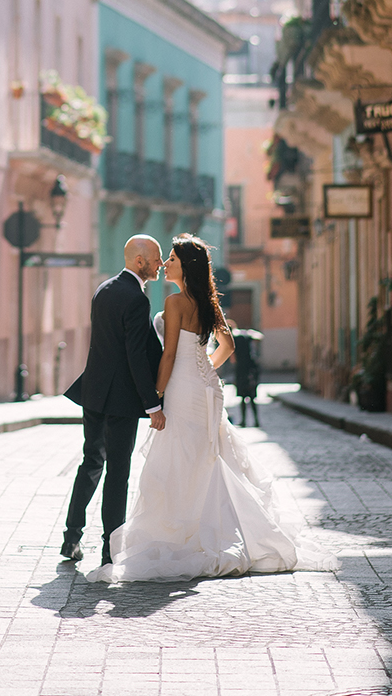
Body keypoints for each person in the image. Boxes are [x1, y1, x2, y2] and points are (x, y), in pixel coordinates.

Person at [89, 234, 297, 582]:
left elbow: (169, 355)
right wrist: (204, 369)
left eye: (171, 259)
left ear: (185, 267)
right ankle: (214, 528)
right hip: (207, 390)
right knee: (207, 456)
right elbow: (227, 345)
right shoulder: (207, 302)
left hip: (184, 390)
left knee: (179, 459)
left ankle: (184, 534)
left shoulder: (174, 302)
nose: (165, 264)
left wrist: (153, 396)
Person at [60, 235, 165, 566]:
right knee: (118, 473)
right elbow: (134, 355)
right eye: (156, 258)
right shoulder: (136, 298)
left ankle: (71, 538)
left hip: (93, 393)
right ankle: (110, 548)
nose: (160, 264)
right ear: (139, 261)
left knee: (91, 462)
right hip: (120, 400)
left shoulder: (103, 289)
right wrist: (153, 405)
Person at [232, 326, 262, 427]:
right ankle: (256, 421)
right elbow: (260, 337)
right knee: (252, 397)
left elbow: (232, 357)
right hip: (251, 370)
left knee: (243, 397)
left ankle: (244, 421)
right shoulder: (247, 336)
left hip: (242, 370)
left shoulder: (234, 338)